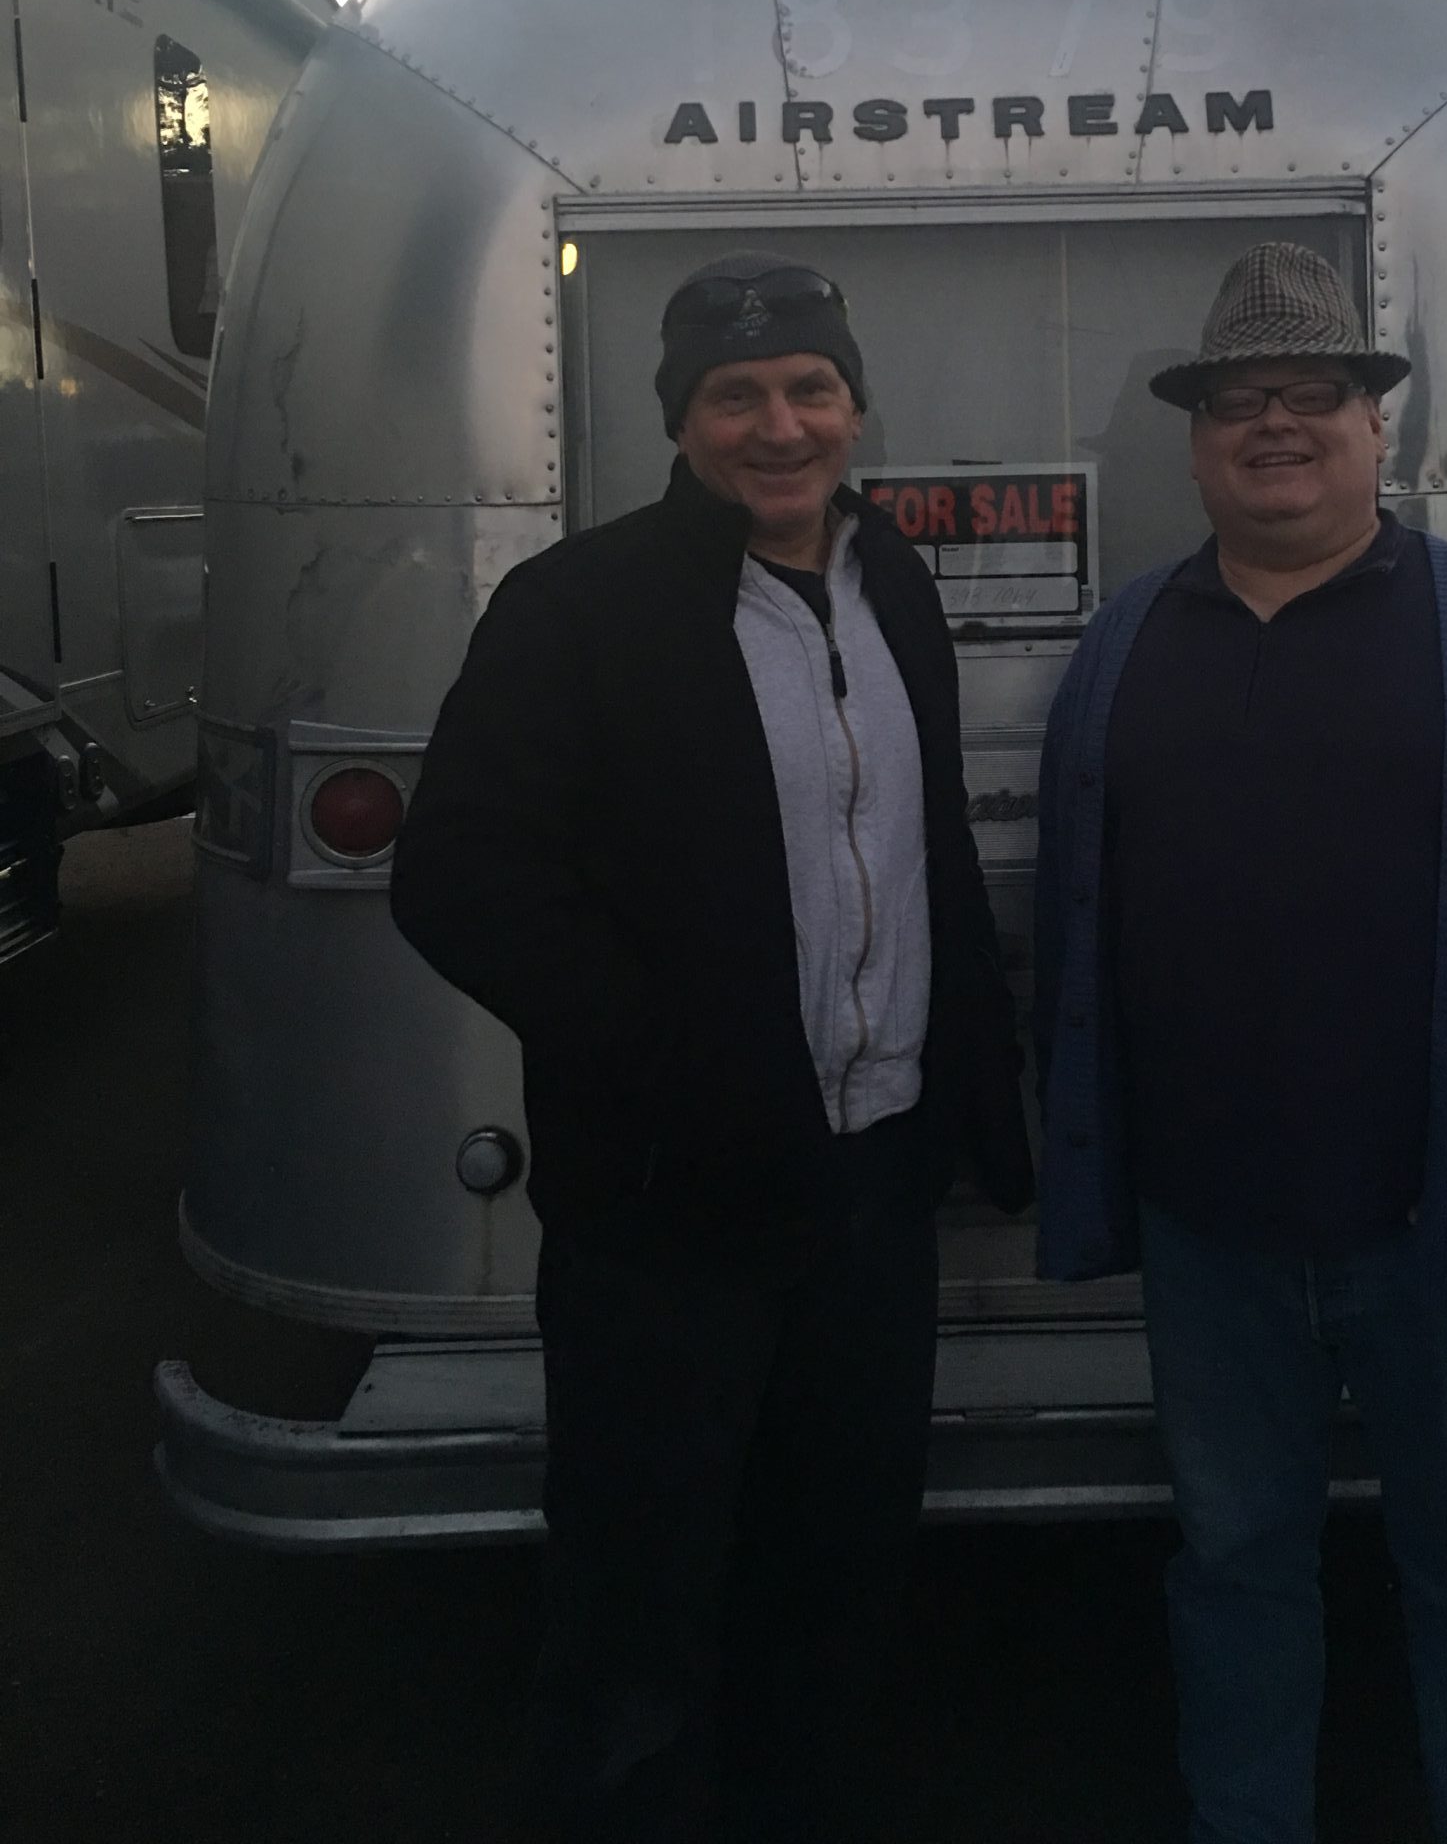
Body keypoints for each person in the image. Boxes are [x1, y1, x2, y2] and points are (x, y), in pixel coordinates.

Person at [390, 251, 1032, 1844]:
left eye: (810, 387)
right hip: (666, 1210)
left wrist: (976, 1095)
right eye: (734, 395)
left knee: (836, 1571)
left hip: (871, 1192)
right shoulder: (580, 608)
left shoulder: (894, 588)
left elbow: (929, 852)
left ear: (855, 406)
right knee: (640, 1601)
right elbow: (458, 877)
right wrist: (667, 1062)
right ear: (680, 423)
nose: (779, 425)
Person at [1032, 240, 1447, 1844]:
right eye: (1238, 399)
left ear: (1376, 427)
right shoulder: (1123, 650)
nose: (1276, 423)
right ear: (1195, 443)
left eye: (1314, 392)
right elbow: (1074, 925)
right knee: (1234, 1566)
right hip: (1211, 1240)